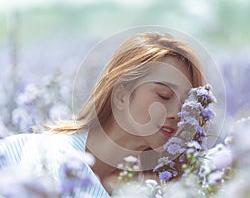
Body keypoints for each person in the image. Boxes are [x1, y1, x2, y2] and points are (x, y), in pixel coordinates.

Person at [0, 31, 204, 197]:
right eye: (164, 95)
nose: (178, 113)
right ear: (121, 96)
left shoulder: (169, 189)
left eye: (188, 105)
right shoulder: (27, 152)